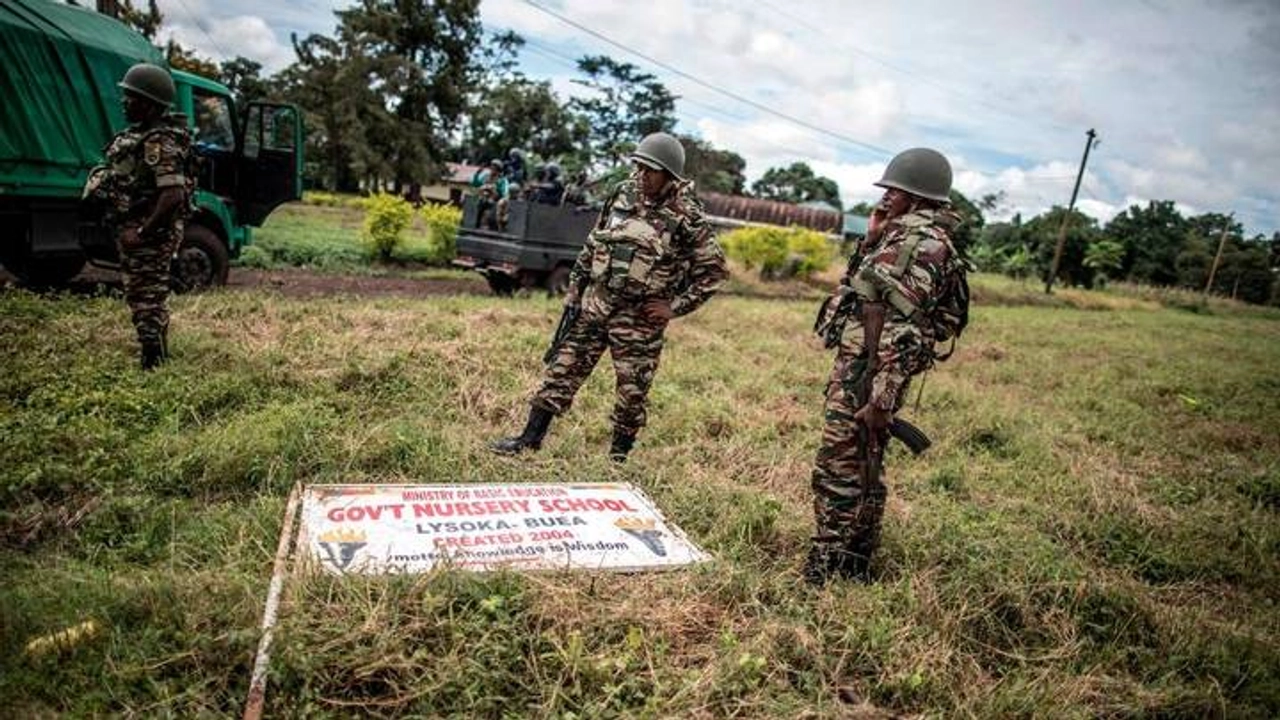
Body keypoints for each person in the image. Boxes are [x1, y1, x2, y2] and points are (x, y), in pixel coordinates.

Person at [490, 132, 729, 462]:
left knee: (632, 392)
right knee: (561, 370)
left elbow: (714, 272)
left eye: (651, 170)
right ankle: (529, 440)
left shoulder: (687, 216)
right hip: (596, 306)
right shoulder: (623, 193)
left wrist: (673, 308)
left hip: (639, 321)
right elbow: (594, 242)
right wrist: (575, 289)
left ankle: (618, 458)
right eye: (639, 167)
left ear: (670, 175)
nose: (642, 176)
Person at [805, 147, 966, 584]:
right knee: (864, 466)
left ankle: (827, 566)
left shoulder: (917, 245)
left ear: (917, 196)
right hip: (870, 368)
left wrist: (881, 398)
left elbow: (904, 326)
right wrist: (872, 237)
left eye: (894, 189)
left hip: (871, 372)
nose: (885, 196)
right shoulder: (903, 238)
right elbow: (864, 290)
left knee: (839, 468)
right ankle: (855, 561)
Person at [83, 63, 194, 370]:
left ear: (148, 104)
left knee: (147, 298)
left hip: (150, 233)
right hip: (133, 226)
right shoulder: (139, 136)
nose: (124, 102)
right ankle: (154, 355)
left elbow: (173, 195)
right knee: (141, 295)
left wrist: (142, 232)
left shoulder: (160, 142)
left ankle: (153, 365)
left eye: (131, 97)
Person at [470, 159, 509, 229]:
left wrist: (494, 189)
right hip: (484, 199)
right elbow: (476, 184)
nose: (492, 170)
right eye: (491, 167)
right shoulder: (486, 176)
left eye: (494, 168)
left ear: (498, 170)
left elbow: (503, 192)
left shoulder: (502, 180)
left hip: (496, 200)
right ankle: (477, 224)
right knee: (479, 198)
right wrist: (477, 174)